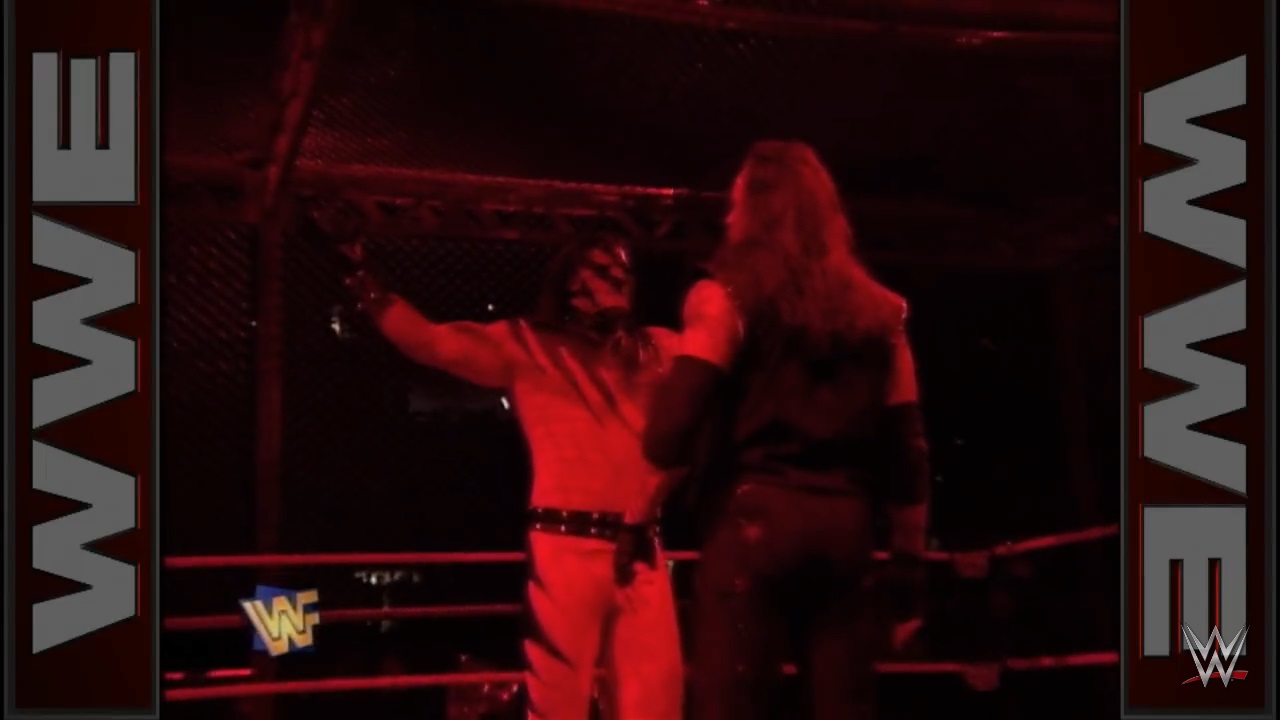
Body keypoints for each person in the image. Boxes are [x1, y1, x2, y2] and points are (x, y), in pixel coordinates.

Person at [333, 228, 685, 720]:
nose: (617, 280)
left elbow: (714, 357)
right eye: (603, 271)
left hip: (639, 545)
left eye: (622, 271)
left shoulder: (653, 351)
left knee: (656, 701)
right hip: (567, 544)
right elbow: (433, 342)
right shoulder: (529, 346)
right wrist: (367, 285)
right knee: (558, 701)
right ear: (572, 283)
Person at [638, 140, 931, 720]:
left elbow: (668, 434)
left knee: (733, 701)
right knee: (843, 703)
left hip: (752, 521)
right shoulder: (883, 313)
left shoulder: (723, 298)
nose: (727, 217)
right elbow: (907, 450)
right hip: (846, 527)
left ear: (750, 210)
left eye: (734, 204)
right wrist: (908, 564)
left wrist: (644, 500)